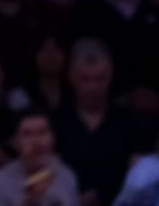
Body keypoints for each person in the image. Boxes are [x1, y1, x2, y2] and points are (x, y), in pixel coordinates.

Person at [51, 39, 143, 206]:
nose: (93, 87)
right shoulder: (55, 122)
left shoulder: (130, 122)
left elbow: (139, 176)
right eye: (85, 79)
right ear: (71, 77)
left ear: (110, 76)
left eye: (99, 79)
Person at [0, 109, 80, 206]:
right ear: (15, 143)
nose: (37, 141)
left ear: (53, 138)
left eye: (42, 132)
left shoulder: (67, 177)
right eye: (27, 134)